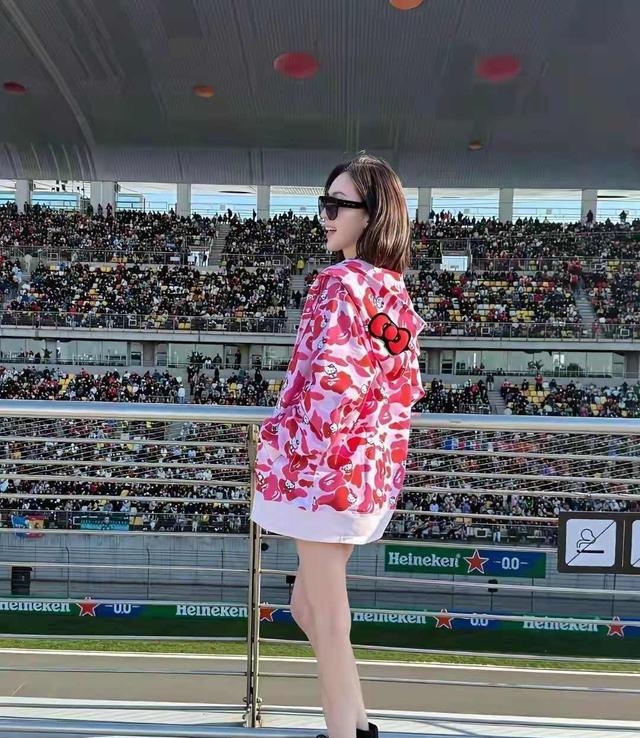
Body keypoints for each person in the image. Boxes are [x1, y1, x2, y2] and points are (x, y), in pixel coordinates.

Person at [250, 154, 425, 738]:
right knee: (308, 606)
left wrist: (286, 443)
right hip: (366, 470)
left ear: (372, 214)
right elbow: (403, 388)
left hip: (323, 469)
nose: (325, 215)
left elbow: (332, 384)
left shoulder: (339, 283)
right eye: (323, 203)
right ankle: (360, 725)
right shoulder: (392, 291)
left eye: (338, 205)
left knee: (325, 617)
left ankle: (343, 732)